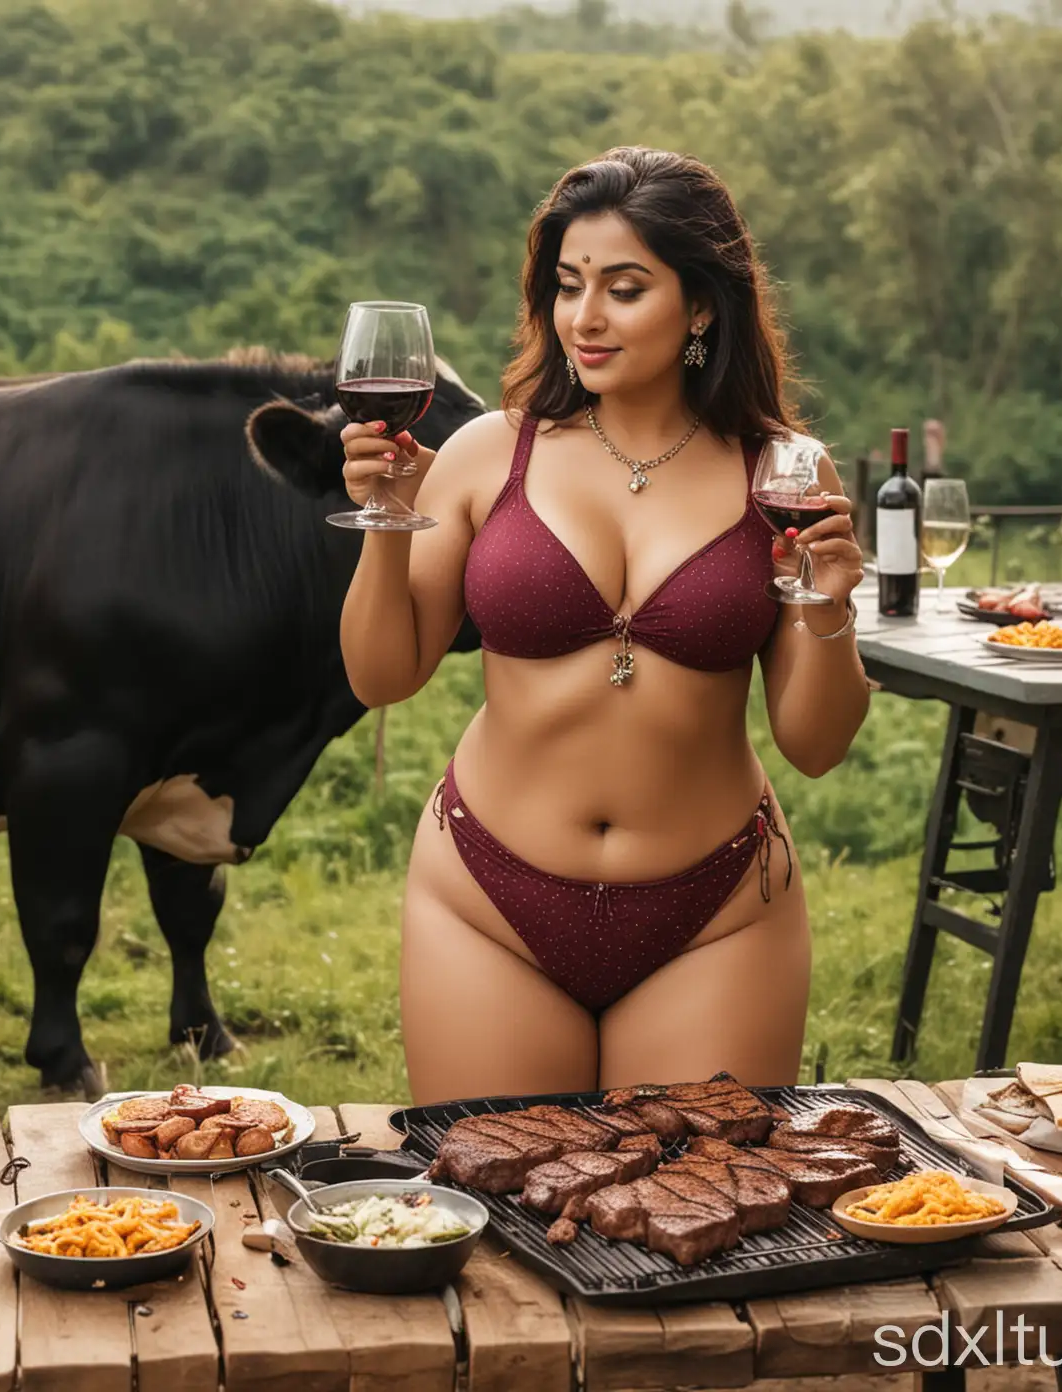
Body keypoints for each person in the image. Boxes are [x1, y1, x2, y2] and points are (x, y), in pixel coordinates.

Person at [337, 148, 871, 1104]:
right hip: (486, 902)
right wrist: (383, 524)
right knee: (495, 1216)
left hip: (717, 917)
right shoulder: (485, 453)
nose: (584, 317)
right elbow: (382, 677)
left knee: (704, 1218)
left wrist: (828, 609)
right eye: (567, 285)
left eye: (625, 289)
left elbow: (816, 745)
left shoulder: (785, 472)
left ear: (701, 303)